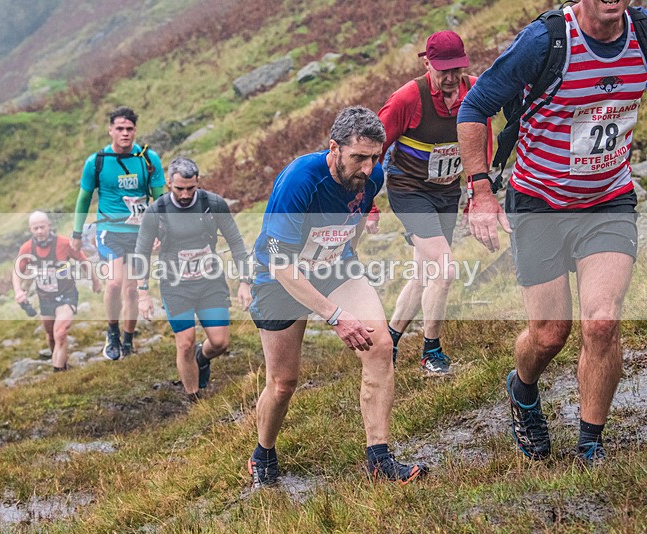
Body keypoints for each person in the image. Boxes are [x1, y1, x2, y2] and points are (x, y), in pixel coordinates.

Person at [457, 0, 647, 465]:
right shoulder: (545, 40)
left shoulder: (642, 32)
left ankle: (589, 446)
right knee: (549, 334)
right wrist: (481, 191)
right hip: (539, 201)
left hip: (608, 199)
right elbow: (474, 105)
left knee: (601, 322)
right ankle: (522, 388)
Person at [247, 106, 426, 489]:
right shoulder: (299, 181)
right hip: (280, 279)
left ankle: (379, 458)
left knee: (379, 346)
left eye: (374, 157)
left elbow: (356, 224)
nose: (367, 167)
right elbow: (281, 266)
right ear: (334, 148)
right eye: (358, 157)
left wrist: (347, 263)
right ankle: (263, 451)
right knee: (283, 382)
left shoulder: (372, 176)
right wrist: (335, 315)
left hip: (334, 267)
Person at [375, 30, 493, 374]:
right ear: (427, 63)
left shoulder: (475, 89)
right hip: (409, 190)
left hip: (446, 192)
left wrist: (477, 192)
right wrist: (366, 202)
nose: (451, 78)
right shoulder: (407, 98)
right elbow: (373, 149)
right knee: (444, 269)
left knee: (424, 274)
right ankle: (431, 352)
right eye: (443, 70)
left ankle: (389, 342)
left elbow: (480, 137)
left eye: (456, 69)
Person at [133, 157, 252, 402]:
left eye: (191, 188)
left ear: (198, 182)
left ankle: (203, 358)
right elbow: (142, 251)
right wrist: (142, 293)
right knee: (185, 343)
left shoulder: (213, 204)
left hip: (209, 282)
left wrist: (245, 281)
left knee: (220, 342)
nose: (185, 194)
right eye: (179, 188)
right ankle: (194, 398)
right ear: (168, 183)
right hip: (175, 285)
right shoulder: (157, 211)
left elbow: (236, 241)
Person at [71, 106, 165, 360]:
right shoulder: (97, 162)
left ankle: (128, 339)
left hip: (140, 231)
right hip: (109, 230)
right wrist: (77, 233)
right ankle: (112, 331)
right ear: (110, 130)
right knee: (113, 283)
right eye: (120, 129)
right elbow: (83, 198)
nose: (125, 133)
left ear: (135, 130)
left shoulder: (148, 159)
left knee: (132, 290)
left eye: (130, 129)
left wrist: (161, 230)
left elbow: (160, 199)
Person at [13, 211, 101, 371]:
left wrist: (95, 281)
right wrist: (18, 290)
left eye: (42, 227)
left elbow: (83, 261)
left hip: (66, 294)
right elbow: (17, 271)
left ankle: (57, 372)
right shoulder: (27, 248)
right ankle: (62, 366)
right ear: (30, 230)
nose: (39, 231)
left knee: (60, 332)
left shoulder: (64, 243)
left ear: (49, 226)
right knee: (51, 335)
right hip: (45, 298)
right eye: (35, 228)